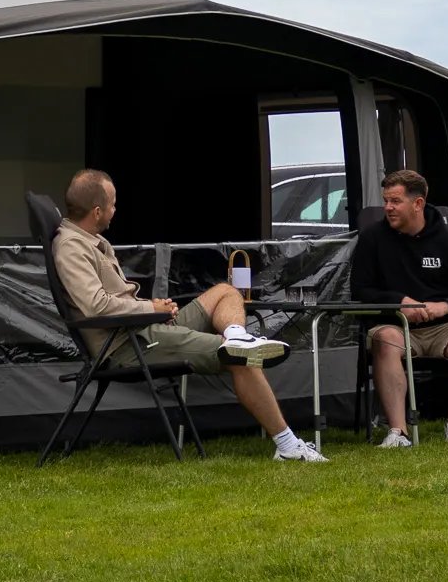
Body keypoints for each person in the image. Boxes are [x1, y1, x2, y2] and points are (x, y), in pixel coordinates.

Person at [52, 169, 329, 463]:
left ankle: (237, 335)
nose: (115, 210)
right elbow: (96, 306)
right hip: (126, 346)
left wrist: (153, 308)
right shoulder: (71, 247)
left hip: (143, 330)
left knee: (225, 291)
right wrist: (150, 309)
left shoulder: (90, 238)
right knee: (239, 357)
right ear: (97, 211)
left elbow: (112, 299)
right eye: (113, 204)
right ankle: (288, 446)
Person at [351, 168, 448, 447]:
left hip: (444, 326)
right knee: (386, 340)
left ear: (417, 204)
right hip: (394, 324)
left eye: (395, 201)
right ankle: (398, 431)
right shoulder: (372, 238)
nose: (388, 208)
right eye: (386, 201)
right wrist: (399, 301)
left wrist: (446, 306)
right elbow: (360, 291)